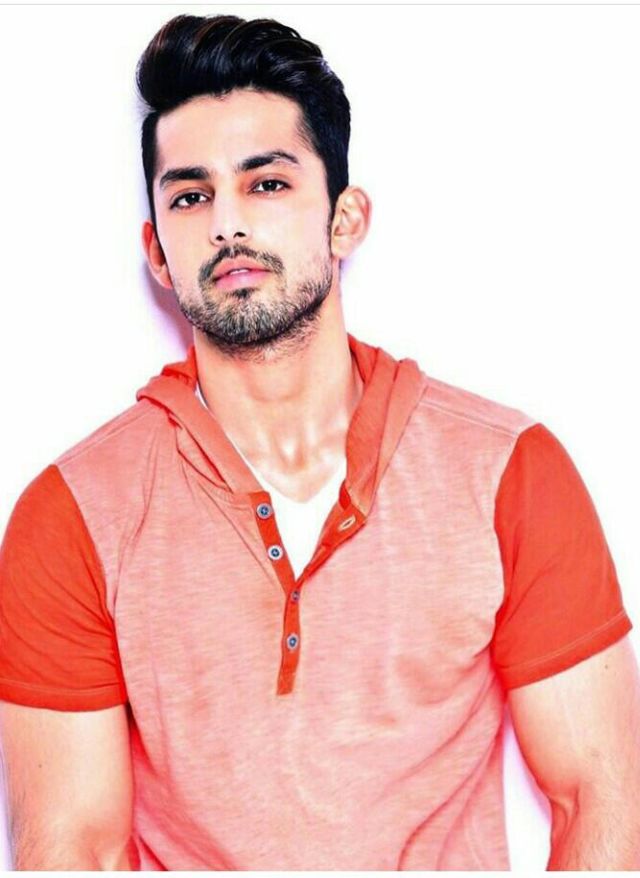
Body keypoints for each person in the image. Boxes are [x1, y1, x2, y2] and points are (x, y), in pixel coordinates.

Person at [0, 12, 638, 871]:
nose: (226, 224)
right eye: (190, 196)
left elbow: (600, 798)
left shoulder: (507, 473)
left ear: (344, 220)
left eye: (266, 184)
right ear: (156, 251)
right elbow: (73, 848)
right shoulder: (72, 515)